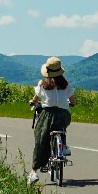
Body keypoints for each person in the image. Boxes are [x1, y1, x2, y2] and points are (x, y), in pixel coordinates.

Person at [29, 56, 73, 184]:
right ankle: (63, 146)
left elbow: (36, 99)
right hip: (63, 115)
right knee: (61, 129)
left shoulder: (43, 84)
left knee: (41, 139)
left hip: (47, 114)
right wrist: (69, 103)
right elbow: (72, 100)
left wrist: (32, 102)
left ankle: (34, 172)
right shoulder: (65, 84)